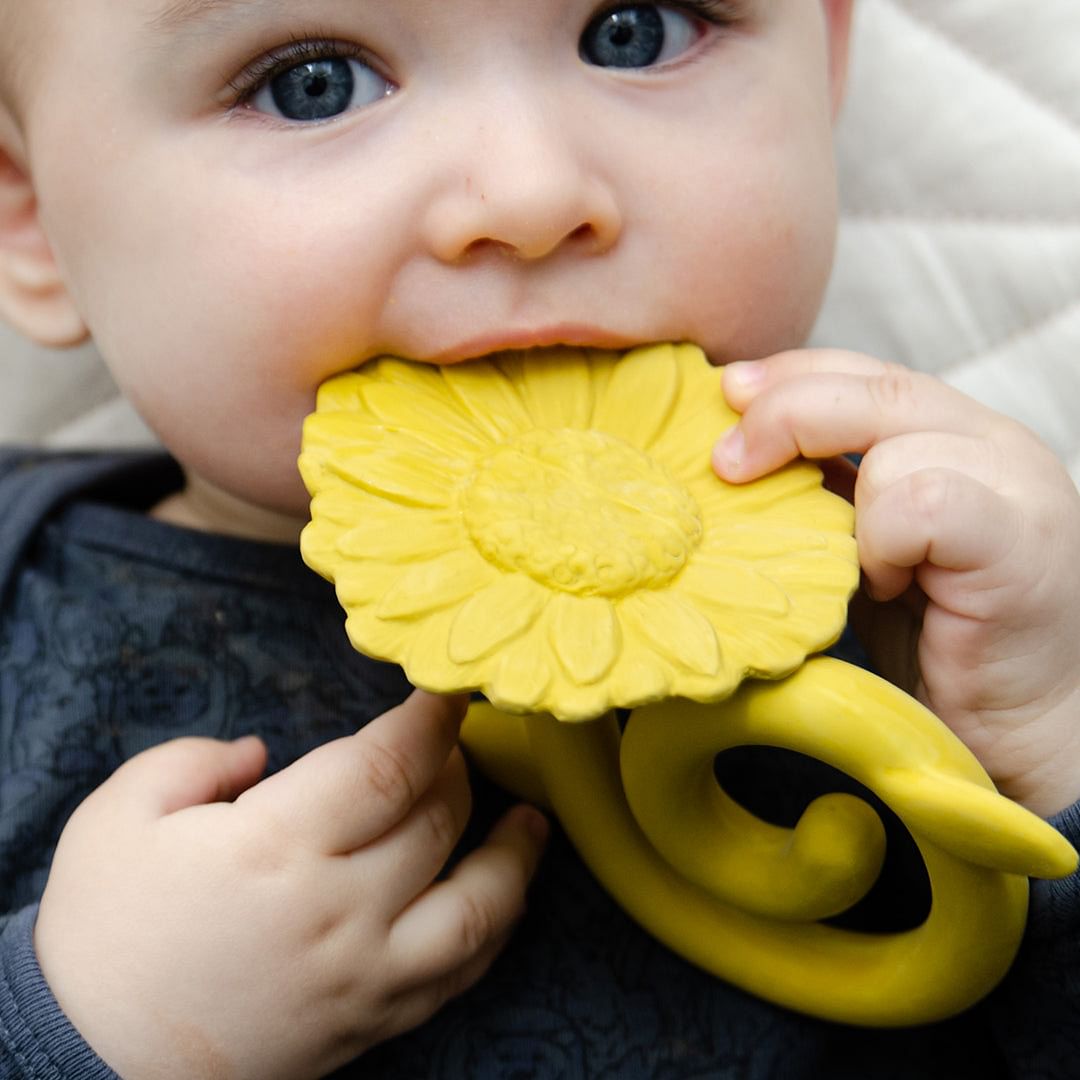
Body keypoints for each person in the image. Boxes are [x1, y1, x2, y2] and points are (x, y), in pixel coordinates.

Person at [1, 0, 1078, 1076]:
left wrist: (1056, 740)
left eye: (637, 32)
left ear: (825, 67)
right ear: (31, 214)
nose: (531, 195)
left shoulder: (942, 602)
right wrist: (85, 1030)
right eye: (311, 82)